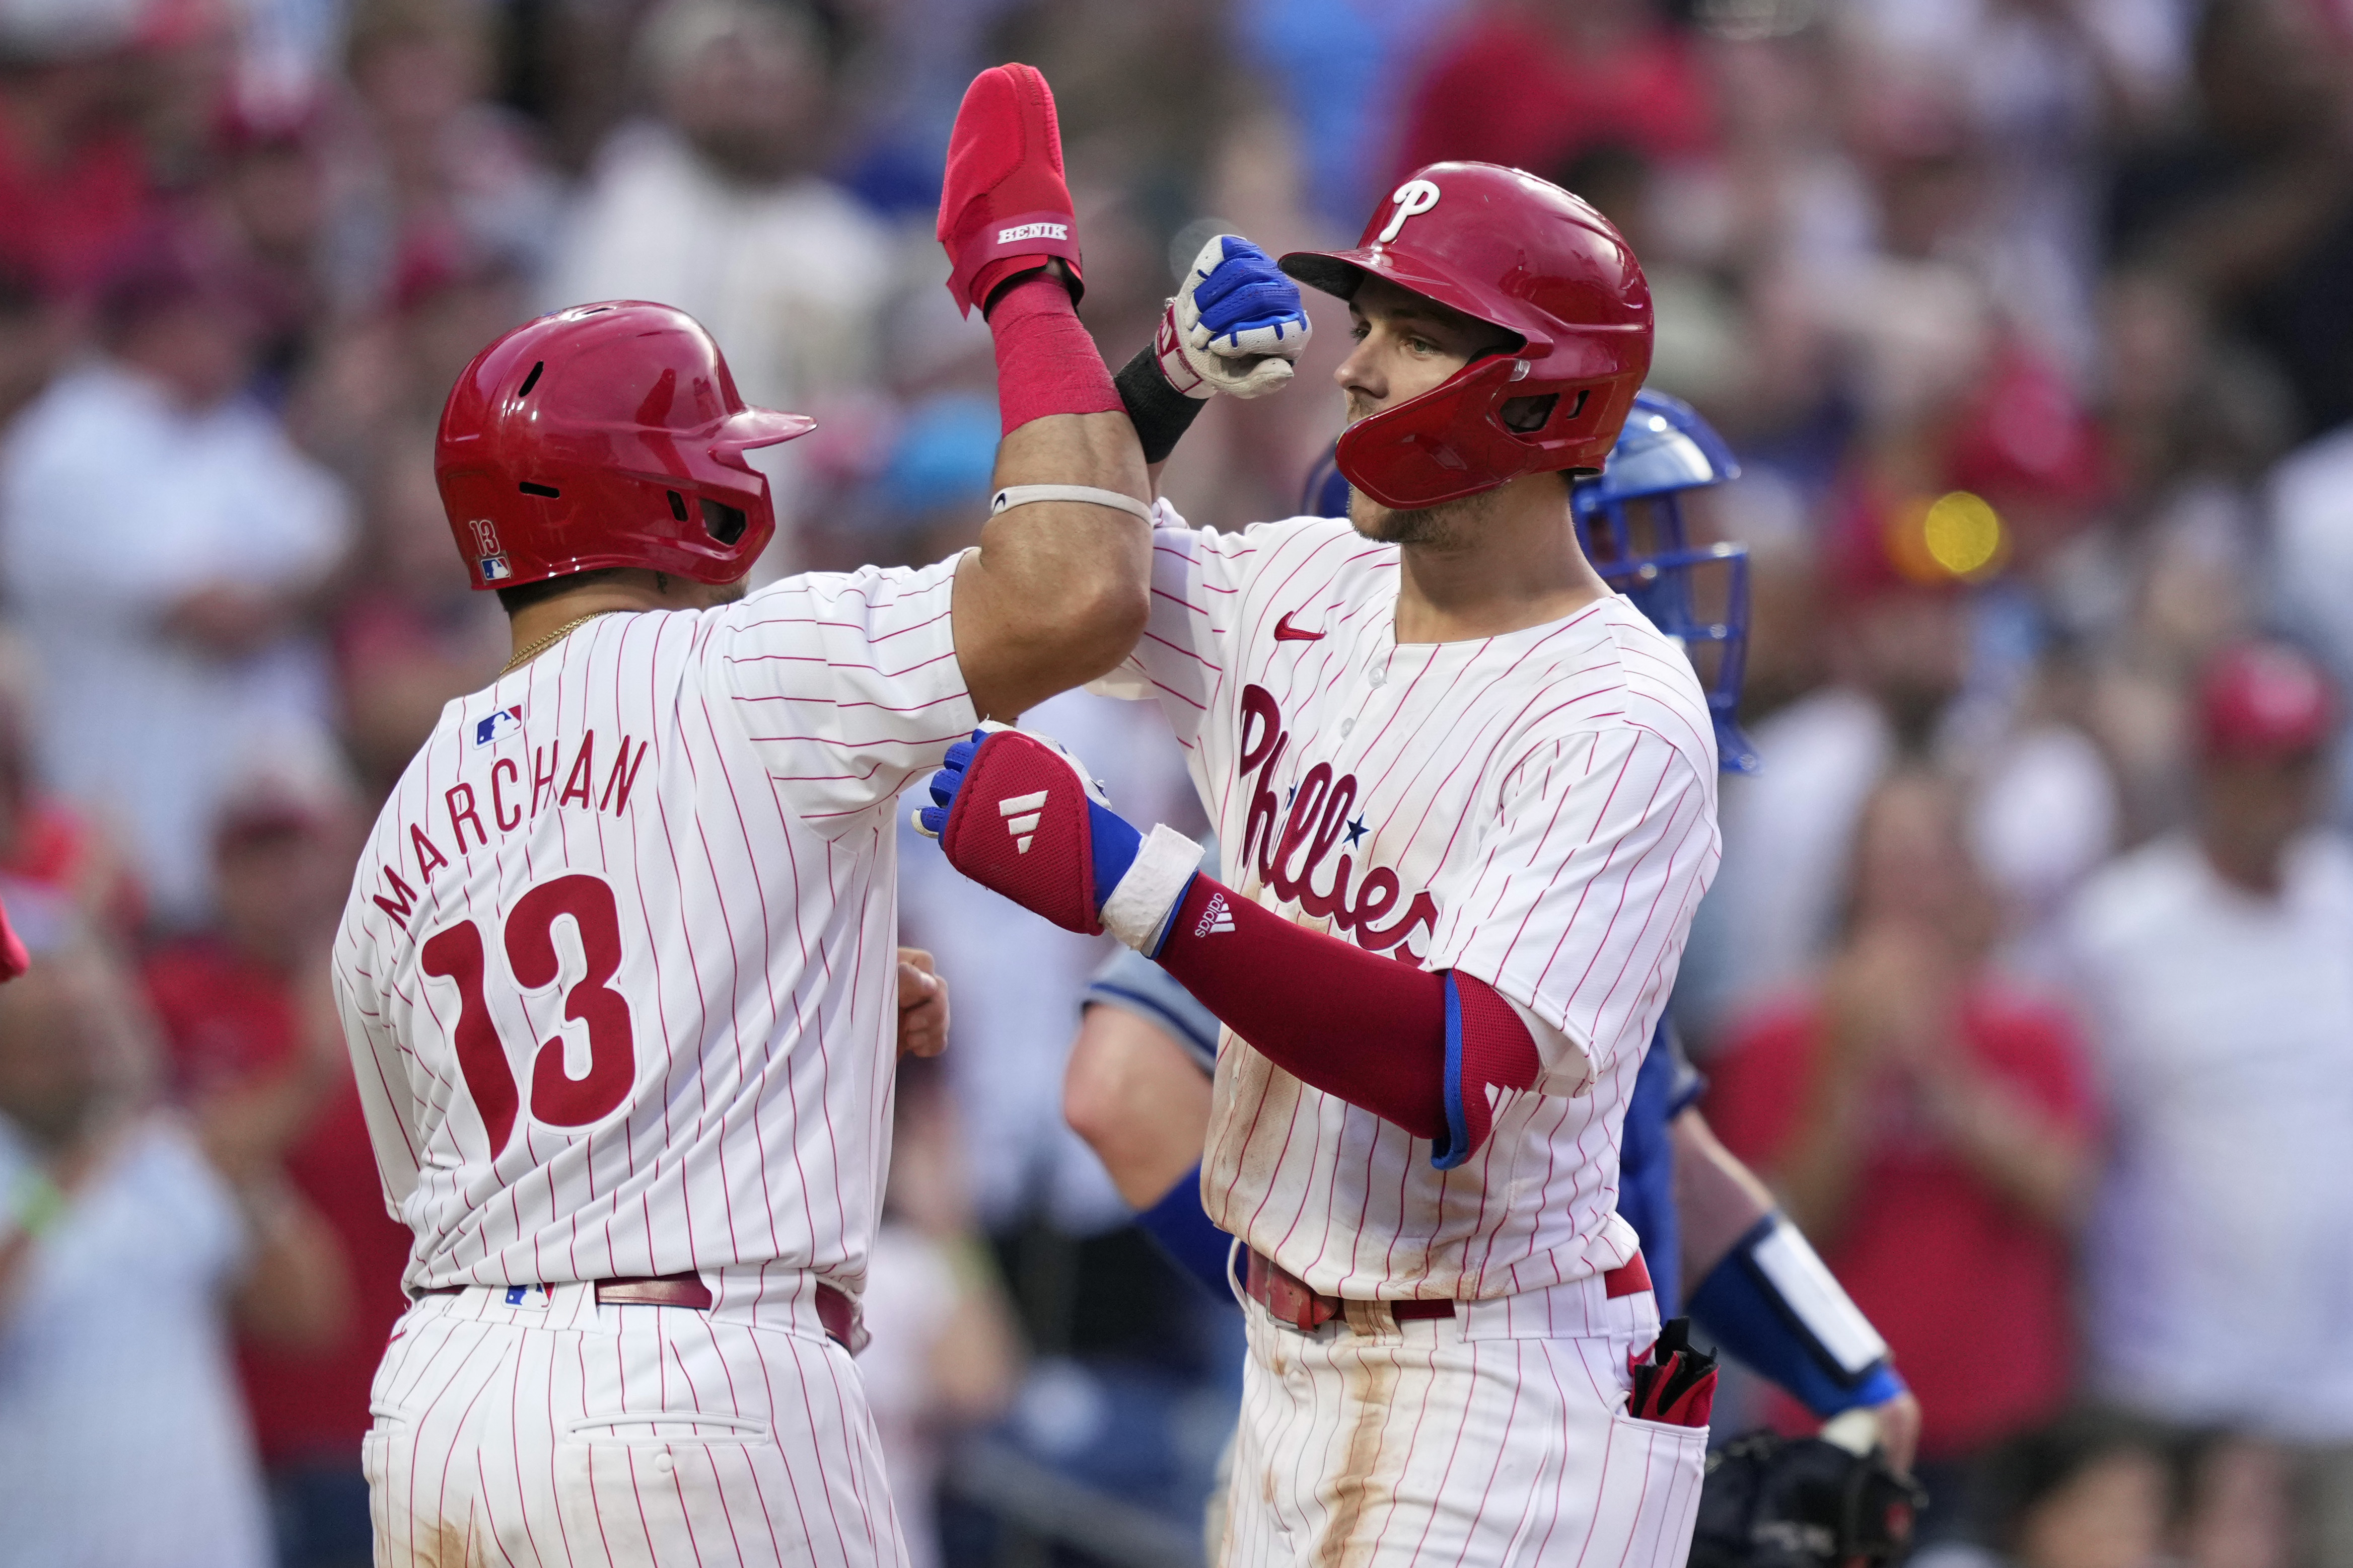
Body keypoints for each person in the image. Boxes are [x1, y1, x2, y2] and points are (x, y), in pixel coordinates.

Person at [333, 63, 1303, 1564]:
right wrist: (1028, 278)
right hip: (697, 1392)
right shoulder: (752, 659)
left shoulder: (406, 816)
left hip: (449, 1397)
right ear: (683, 491)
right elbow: (1074, 586)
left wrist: (818, 990)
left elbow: (503, 1128)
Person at [919, 162, 1723, 1564]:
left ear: (1540, 391)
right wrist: (1158, 382)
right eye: (1361, 322)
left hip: (1497, 1387)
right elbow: (1056, 577)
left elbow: (1449, 1064)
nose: (1353, 368)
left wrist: (1133, 881)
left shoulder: (1619, 711)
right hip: (1288, 1358)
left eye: (1411, 333)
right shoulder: (1300, 584)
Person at [1066, 397, 1922, 1504]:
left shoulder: (1595, 796)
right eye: (1604, 550)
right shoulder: (1330, 827)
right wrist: (1345, 1331)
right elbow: (1119, 1086)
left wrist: (1848, 1375)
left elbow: (1663, 1149)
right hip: (1408, 1427)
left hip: (1559, 1424)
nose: (1643, 595)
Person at [1706, 767, 2100, 1526]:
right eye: (1888, 862)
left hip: (1999, 1423)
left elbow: (2067, 1194)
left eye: (1928, 862)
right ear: (1851, 879)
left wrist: (1945, 1072)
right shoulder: (1776, 1038)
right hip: (1831, 1416)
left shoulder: (2033, 1031)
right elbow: (1788, 1233)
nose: (1908, 888)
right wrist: (1844, 1067)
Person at [2060, 639, 2353, 1562]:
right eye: (2253, 765)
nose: (2278, 791)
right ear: (2205, 770)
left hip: (2337, 1393)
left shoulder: (2346, 905)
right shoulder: (2117, 929)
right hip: (2172, 1389)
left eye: (2299, 763)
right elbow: (2070, 1148)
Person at [0, 895, 345, 1568]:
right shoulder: (63, 1165)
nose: (78, 1051)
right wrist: (72, 1177)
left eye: (87, 1023)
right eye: (46, 1035)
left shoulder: (168, 1156)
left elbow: (311, 1317)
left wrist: (247, 1176)